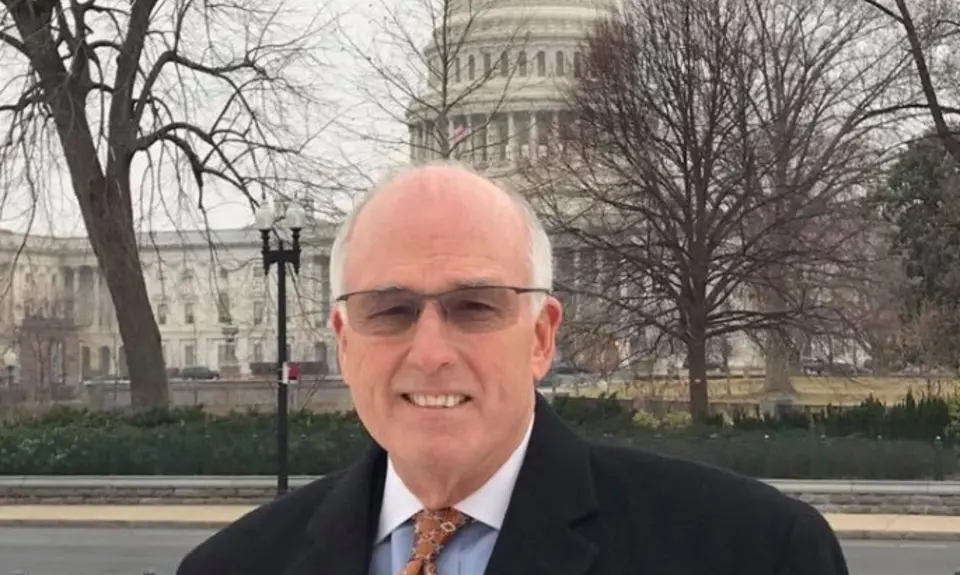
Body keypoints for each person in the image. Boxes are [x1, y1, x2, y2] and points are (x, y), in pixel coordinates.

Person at [177, 161, 849, 575]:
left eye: (474, 305)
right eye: (391, 310)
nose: (432, 351)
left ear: (540, 336)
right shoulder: (231, 566)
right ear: (344, 341)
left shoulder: (752, 554)